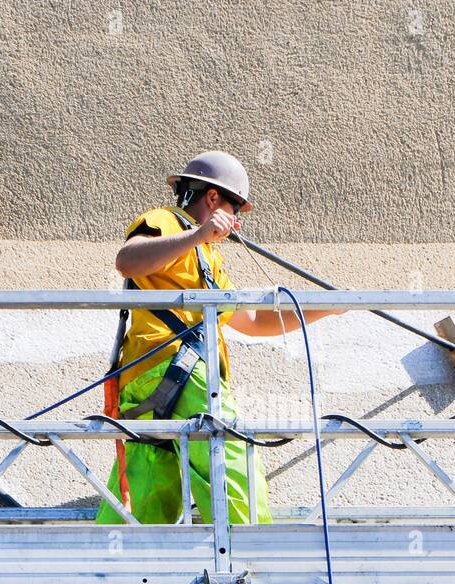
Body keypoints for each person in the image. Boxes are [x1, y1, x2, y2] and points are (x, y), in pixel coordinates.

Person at [96, 150, 333, 524]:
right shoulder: (168, 222)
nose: (237, 221)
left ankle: (120, 570)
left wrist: (327, 308)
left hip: (150, 384)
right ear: (212, 199)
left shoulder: (207, 260)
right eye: (235, 209)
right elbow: (128, 260)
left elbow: (252, 321)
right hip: (182, 375)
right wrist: (200, 233)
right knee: (230, 462)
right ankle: (253, 554)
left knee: (145, 489)